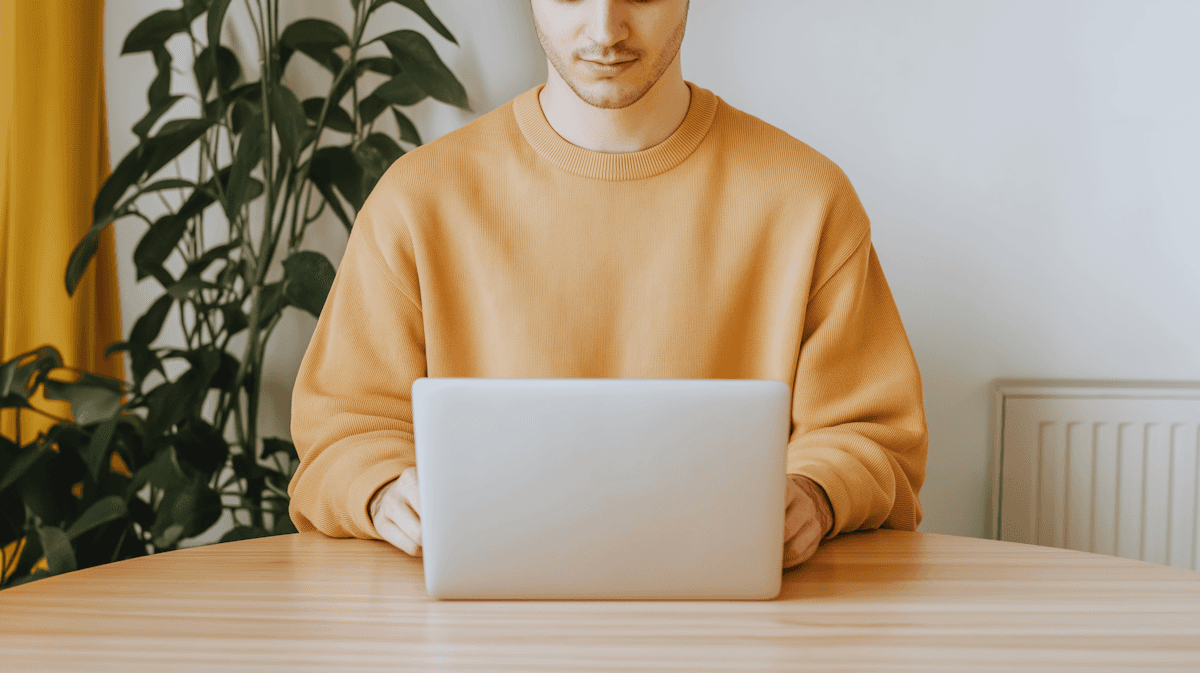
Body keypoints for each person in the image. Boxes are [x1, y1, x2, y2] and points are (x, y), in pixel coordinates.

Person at [287, 0, 928, 571]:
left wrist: (817, 493)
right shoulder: (418, 200)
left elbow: (875, 434)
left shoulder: (805, 201)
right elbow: (339, 428)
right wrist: (381, 489)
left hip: (741, 629)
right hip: (478, 633)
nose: (605, 28)